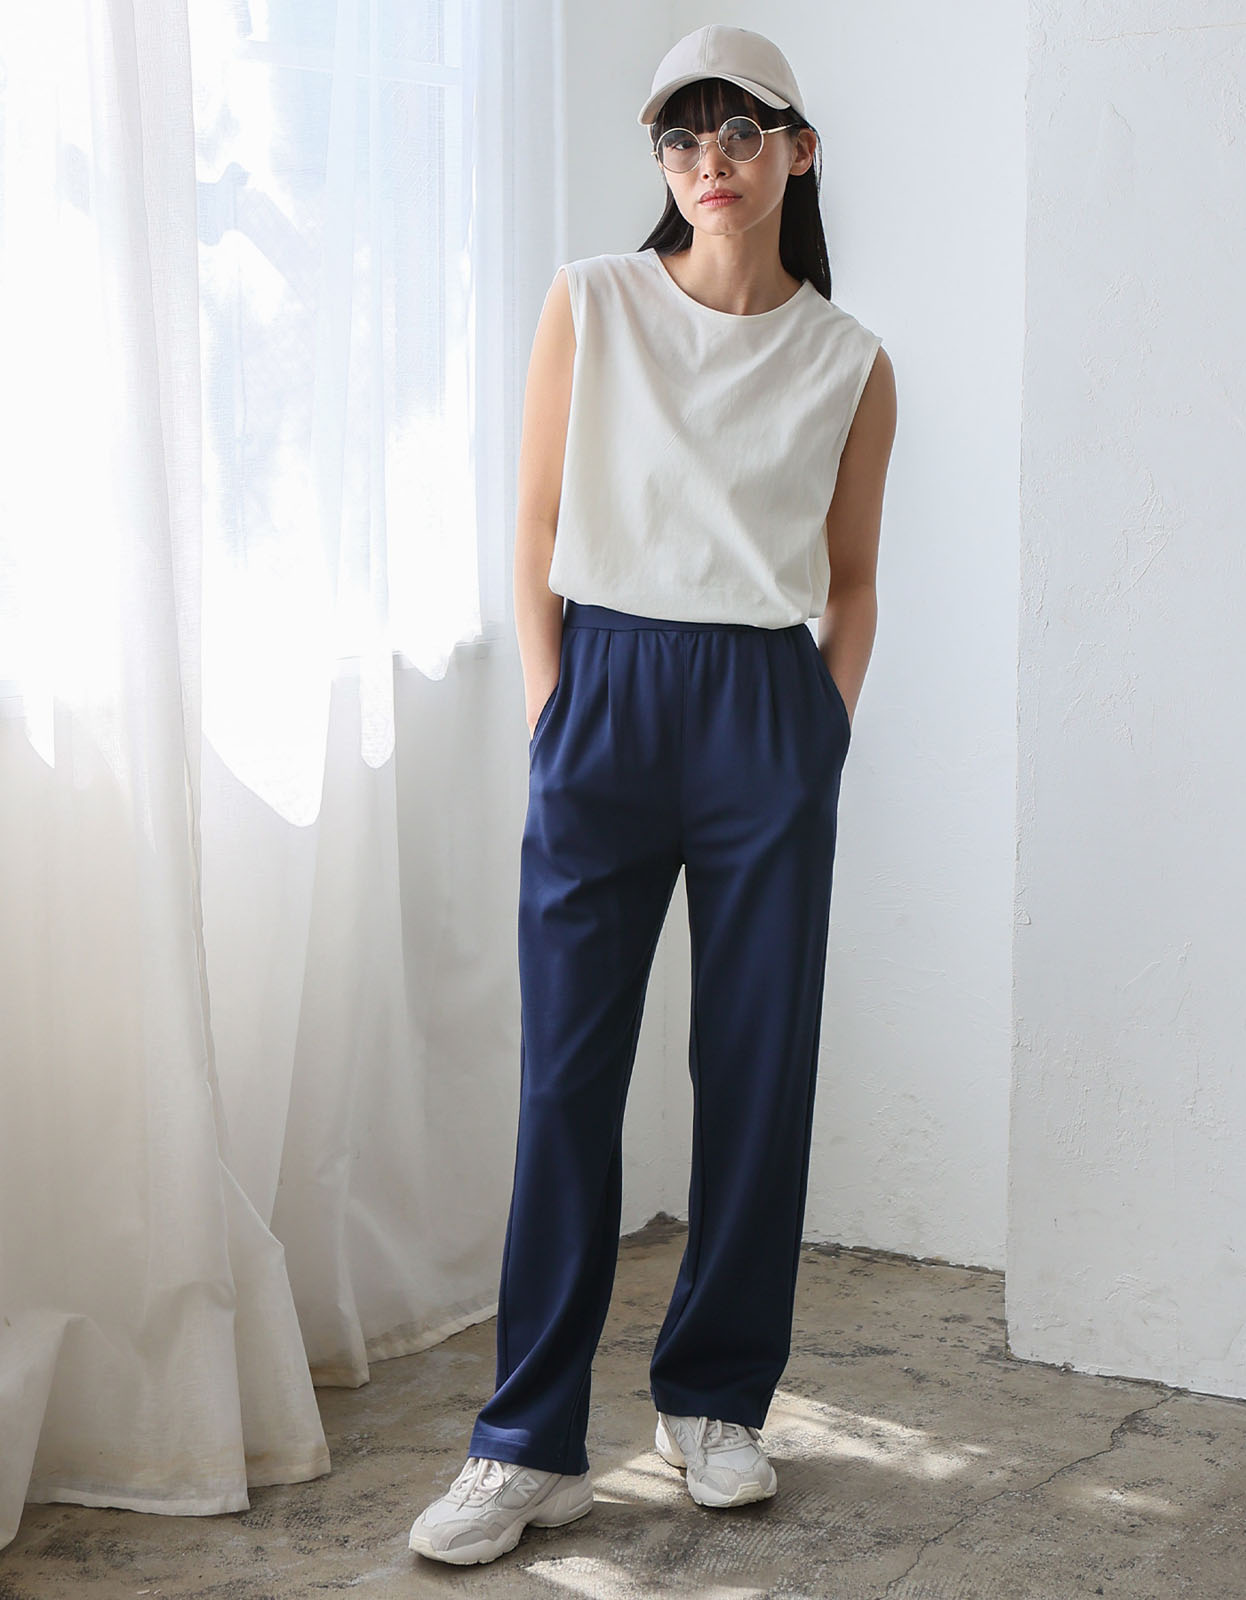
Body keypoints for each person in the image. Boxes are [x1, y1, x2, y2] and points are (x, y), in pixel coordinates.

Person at [410, 22, 897, 1566]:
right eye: (681, 138)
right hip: (606, 695)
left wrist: (815, 733)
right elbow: (534, 524)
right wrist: (554, 709)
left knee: (757, 1073)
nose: (708, 163)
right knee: (567, 1078)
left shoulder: (849, 361)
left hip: (764, 708)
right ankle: (526, 1444)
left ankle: (714, 1401)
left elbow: (853, 579)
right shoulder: (593, 302)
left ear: (796, 150)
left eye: (739, 131)